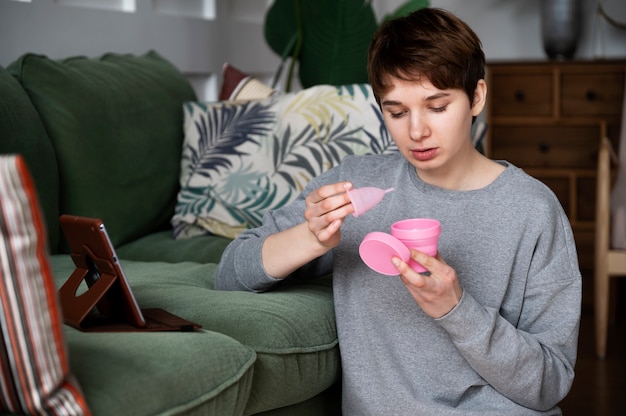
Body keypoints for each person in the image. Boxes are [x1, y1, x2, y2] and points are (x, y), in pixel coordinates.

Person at [216, 7, 581, 415]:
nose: (417, 131)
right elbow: (230, 274)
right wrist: (310, 236)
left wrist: (456, 309)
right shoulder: (351, 187)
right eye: (397, 112)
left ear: (476, 97)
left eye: (437, 107)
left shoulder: (532, 210)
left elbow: (551, 382)